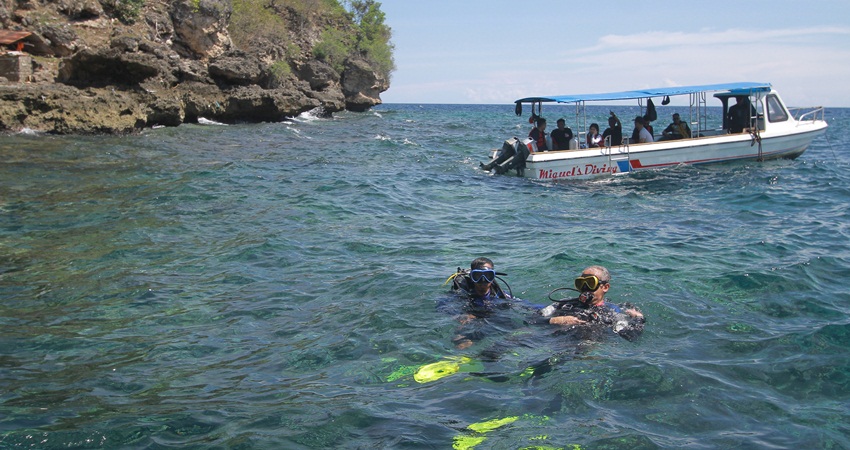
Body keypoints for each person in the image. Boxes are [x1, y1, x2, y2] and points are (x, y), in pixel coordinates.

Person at [533, 265, 645, 341]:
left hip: (582, 347)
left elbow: (629, 336)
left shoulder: (612, 312)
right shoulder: (562, 304)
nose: (585, 288)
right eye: (581, 283)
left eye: (591, 283)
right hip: (549, 339)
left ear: (605, 287)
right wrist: (555, 320)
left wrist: (639, 319)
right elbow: (533, 319)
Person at [442, 257, 515, 349]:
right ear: (472, 277)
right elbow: (443, 305)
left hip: (495, 321)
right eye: (478, 276)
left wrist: (537, 309)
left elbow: (522, 304)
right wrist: (459, 315)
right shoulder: (462, 294)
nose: (483, 281)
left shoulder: (500, 295)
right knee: (460, 339)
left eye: (487, 276)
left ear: (492, 277)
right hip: (473, 324)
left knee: (524, 332)